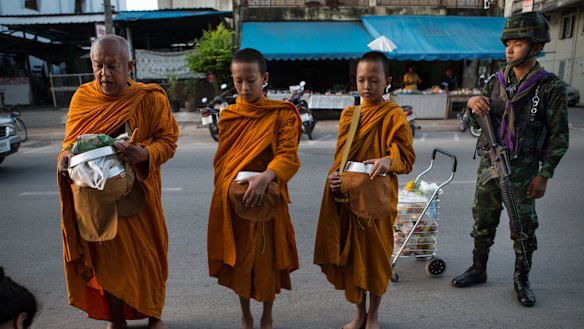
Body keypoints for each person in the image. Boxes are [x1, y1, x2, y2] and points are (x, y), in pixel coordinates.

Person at [56, 35, 179, 328]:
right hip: (98, 196)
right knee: (107, 260)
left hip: (140, 194)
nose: (104, 74)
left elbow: (169, 141)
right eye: (98, 66)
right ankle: (116, 318)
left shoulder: (150, 98)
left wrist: (144, 153)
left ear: (129, 67)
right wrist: (63, 159)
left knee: (148, 257)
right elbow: (70, 144)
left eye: (112, 66)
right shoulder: (83, 98)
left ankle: (154, 315)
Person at [451, 11, 569, 308]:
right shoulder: (496, 81)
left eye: (518, 43)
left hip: (524, 168)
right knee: (483, 219)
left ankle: (522, 278)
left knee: (523, 227)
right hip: (491, 163)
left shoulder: (549, 87)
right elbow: (474, 122)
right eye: (508, 43)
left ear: (537, 47)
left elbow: (559, 137)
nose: (510, 49)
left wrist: (545, 174)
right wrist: (472, 105)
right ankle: (478, 268)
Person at [314, 51, 416, 329]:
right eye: (361, 80)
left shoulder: (394, 115)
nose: (367, 86)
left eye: (374, 80)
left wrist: (387, 161)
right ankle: (359, 314)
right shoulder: (350, 114)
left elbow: (406, 159)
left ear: (388, 82)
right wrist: (334, 177)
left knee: (377, 259)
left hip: (378, 200)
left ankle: (374, 315)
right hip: (349, 197)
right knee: (352, 260)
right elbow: (340, 158)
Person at [207, 48, 301, 329]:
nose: (245, 88)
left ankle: (267, 315)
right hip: (238, 199)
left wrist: (266, 177)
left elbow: (288, 155)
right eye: (238, 81)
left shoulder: (282, 114)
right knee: (241, 262)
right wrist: (229, 188)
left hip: (269, 196)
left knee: (268, 261)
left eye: (251, 80)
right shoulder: (229, 117)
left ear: (264, 78)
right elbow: (224, 163)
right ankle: (246, 315)